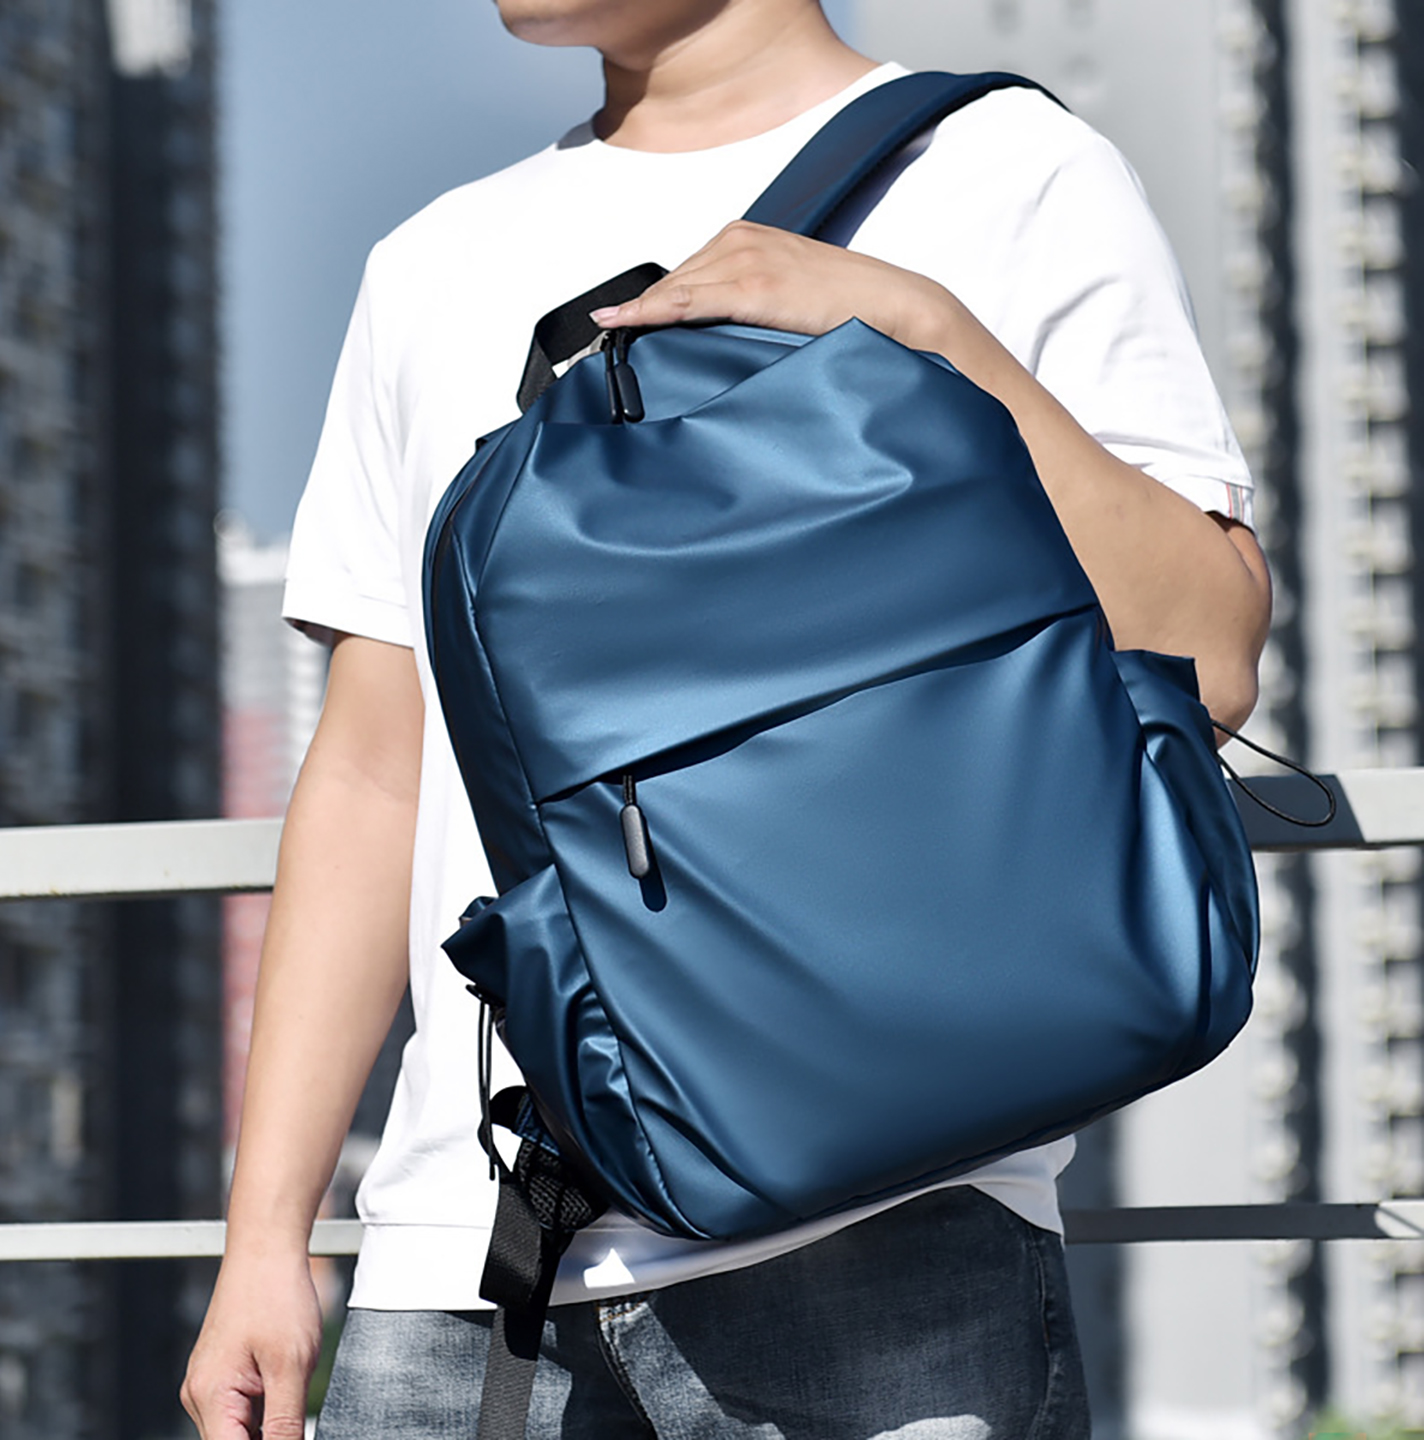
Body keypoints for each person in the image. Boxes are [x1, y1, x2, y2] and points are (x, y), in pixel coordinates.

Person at [181, 2, 1272, 1436]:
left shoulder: (1011, 174)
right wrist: (266, 1237)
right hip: (466, 1262)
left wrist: (926, 333)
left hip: (891, 1219)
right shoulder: (433, 264)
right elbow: (378, 772)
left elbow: (1211, 642)